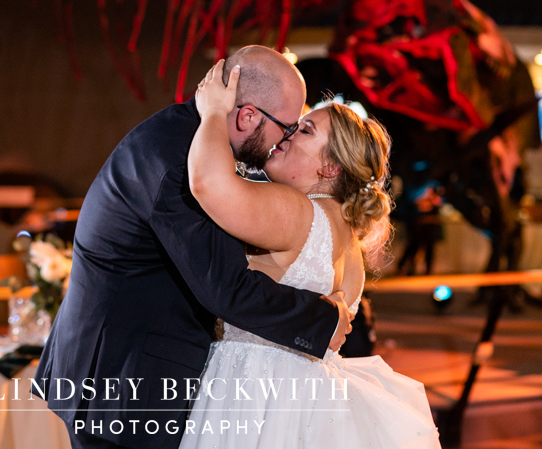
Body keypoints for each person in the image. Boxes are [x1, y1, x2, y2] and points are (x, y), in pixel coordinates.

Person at [33, 46, 353, 449]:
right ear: (248, 115)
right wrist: (322, 321)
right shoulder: (182, 163)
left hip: (123, 377)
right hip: (124, 387)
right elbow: (224, 287)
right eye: (286, 127)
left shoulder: (187, 137)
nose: (283, 141)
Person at [178, 61, 440, 448]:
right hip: (310, 403)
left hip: (257, 397)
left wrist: (214, 112)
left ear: (330, 167)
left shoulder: (299, 212)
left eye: (304, 130)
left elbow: (207, 183)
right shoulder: (345, 235)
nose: (286, 134)